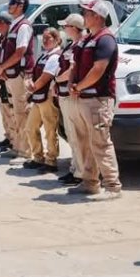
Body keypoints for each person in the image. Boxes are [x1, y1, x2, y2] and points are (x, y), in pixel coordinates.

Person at [68, 0, 122, 200]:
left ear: (97, 16)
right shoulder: (86, 39)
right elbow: (74, 64)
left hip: (98, 100)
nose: (84, 16)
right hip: (83, 98)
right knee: (84, 143)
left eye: (87, 13)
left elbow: (98, 69)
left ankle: (112, 187)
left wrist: (78, 87)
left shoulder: (105, 39)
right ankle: (90, 182)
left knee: (100, 143)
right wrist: (72, 84)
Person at [0, 0, 35, 162]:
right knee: (15, 112)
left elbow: (20, 52)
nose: (9, 5)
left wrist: (2, 67)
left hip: (20, 75)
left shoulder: (23, 26)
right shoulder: (15, 25)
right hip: (12, 75)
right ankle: (18, 147)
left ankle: (26, 151)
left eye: (12, 2)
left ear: (20, 6)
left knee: (21, 113)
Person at [22, 28, 63, 172]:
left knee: (50, 130)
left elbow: (46, 77)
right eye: (43, 38)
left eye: (48, 38)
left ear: (57, 39)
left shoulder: (55, 56)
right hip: (39, 96)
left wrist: (31, 88)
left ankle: (51, 161)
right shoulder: (45, 55)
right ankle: (38, 157)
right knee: (30, 127)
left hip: (48, 97)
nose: (45, 41)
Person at [55, 13, 87, 185]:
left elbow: (73, 69)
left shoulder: (80, 45)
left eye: (65, 26)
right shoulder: (72, 44)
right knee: (71, 134)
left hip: (71, 95)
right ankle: (75, 169)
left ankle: (80, 173)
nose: (63, 29)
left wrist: (58, 79)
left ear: (74, 28)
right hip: (63, 94)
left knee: (76, 135)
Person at [0, 11, 15, 152]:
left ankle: (14, 140)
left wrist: (3, 69)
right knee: (4, 109)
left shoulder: (10, 39)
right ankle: (8, 136)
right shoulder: (2, 38)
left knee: (9, 110)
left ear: (3, 23)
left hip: (5, 78)